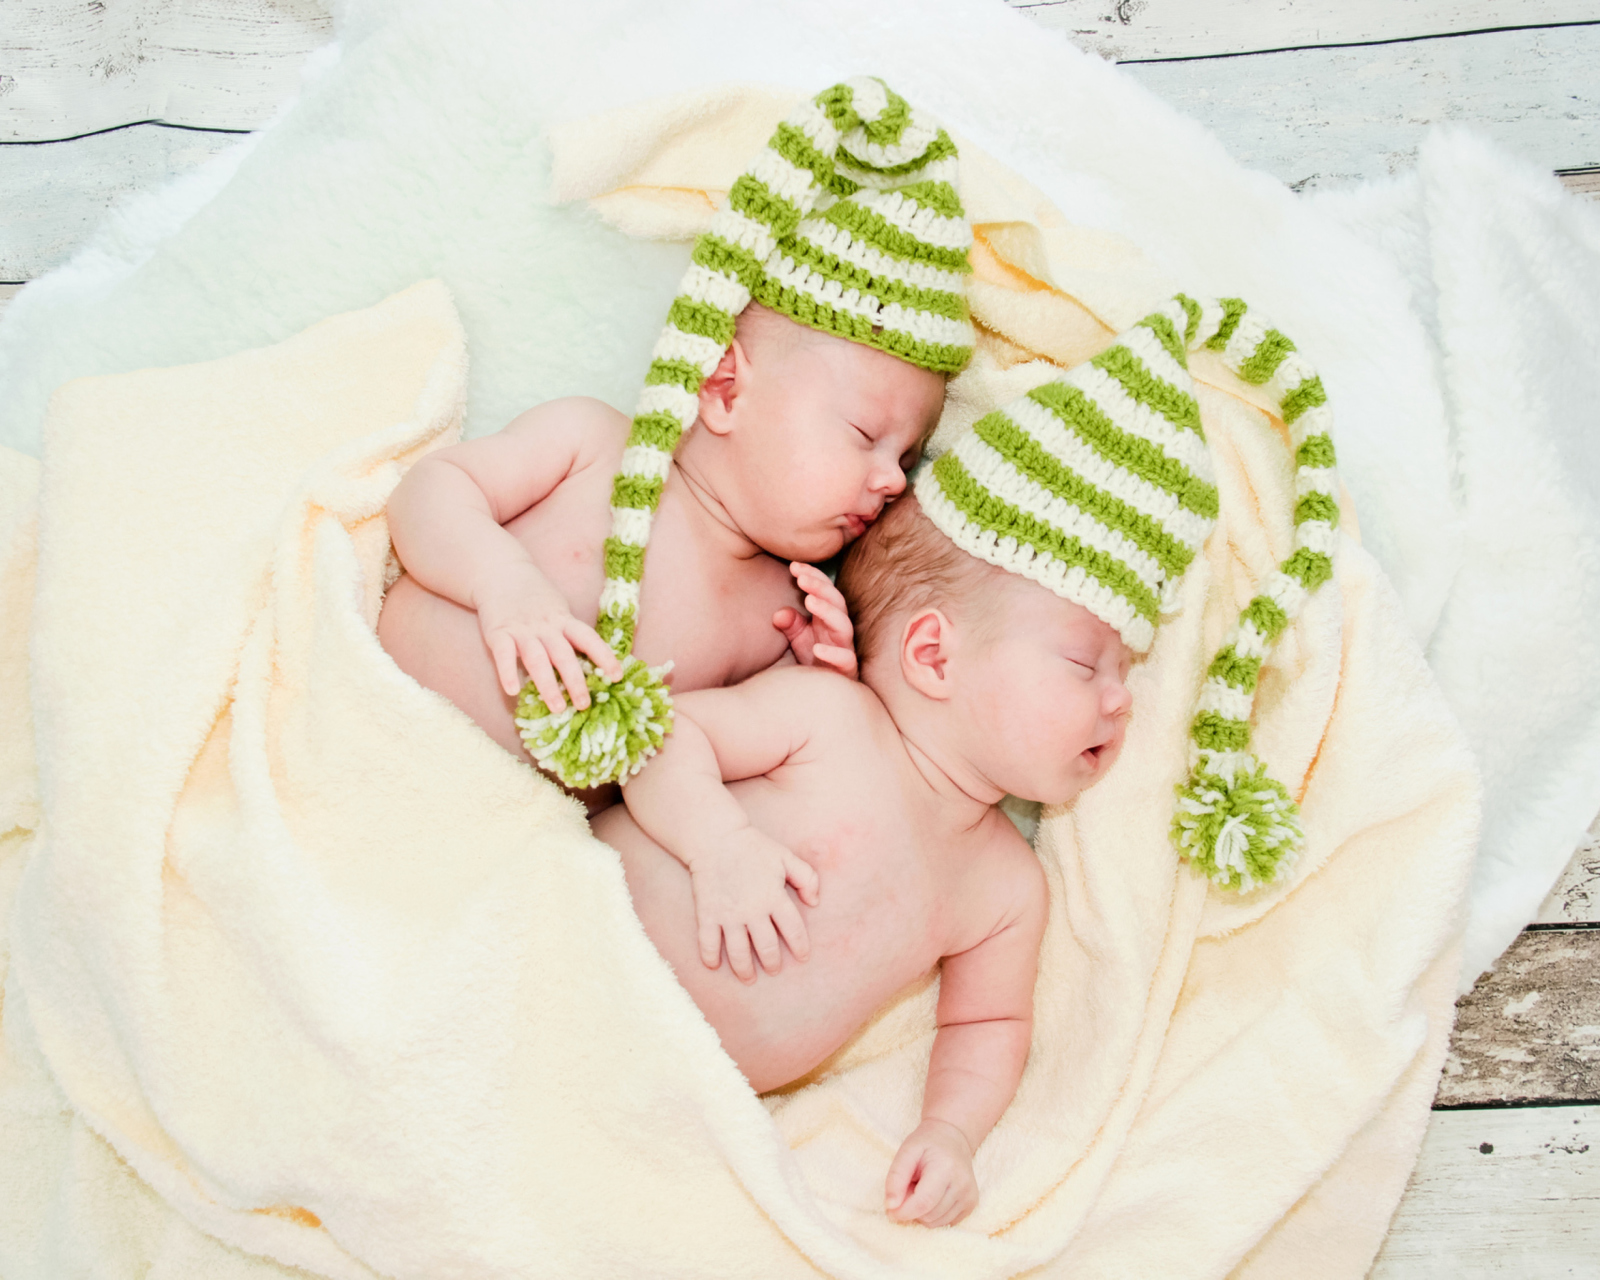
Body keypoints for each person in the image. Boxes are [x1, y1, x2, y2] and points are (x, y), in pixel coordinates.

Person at [376, 77, 973, 810]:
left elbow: (726, 766)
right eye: (864, 436)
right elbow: (427, 494)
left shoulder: (776, 613)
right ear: (724, 389)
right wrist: (501, 581)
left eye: (907, 461)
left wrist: (819, 681)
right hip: (377, 719)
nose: (890, 481)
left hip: (510, 843)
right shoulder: (590, 444)